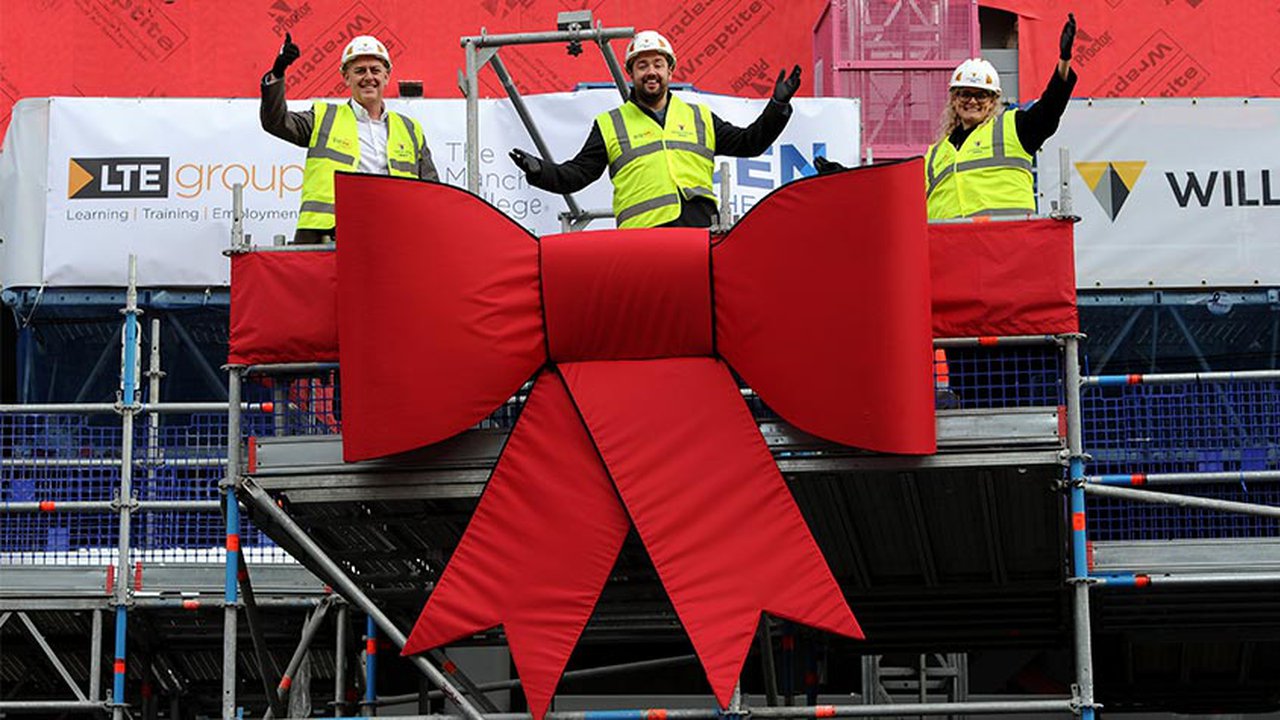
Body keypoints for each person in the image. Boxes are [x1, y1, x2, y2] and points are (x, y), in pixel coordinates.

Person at [507, 30, 803, 229]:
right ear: (631, 74)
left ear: (669, 71)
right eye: (642, 65)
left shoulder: (699, 116)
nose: (651, 72)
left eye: (658, 64)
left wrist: (777, 105)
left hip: (698, 229)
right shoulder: (610, 123)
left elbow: (749, 143)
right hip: (642, 239)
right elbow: (577, 174)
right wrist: (539, 171)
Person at [260, 33, 439, 244]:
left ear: (386, 76)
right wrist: (278, 72)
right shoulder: (324, 117)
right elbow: (275, 122)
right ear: (346, 77)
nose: (368, 77)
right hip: (329, 238)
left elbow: (432, 192)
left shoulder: (410, 129)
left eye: (375, 70)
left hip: (395, 234)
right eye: (359, 71)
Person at [921, 13, 1078, 220]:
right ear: (954, 98)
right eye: (965, 93)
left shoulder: (1013, 128)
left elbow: (1050, 108)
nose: (973, 101)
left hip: (1005, 244)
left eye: (981, 95)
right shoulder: (934, 155)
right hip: (952, 247)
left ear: (993, 100)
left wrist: (1064, 61)